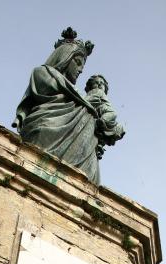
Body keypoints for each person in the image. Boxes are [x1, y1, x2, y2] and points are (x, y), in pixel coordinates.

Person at [12, 27, 102, 184]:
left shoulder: (78, 97)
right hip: (45, 125)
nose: (80, 70)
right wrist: (86, 102)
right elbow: (52, 87)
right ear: (65, 57)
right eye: (78, 62)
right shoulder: (41, 72)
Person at [84, 75, 125, 159]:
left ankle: (100, 143)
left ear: (105, 87)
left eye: (101, 83)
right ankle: (100, 127)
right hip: (102, 110)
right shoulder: (96, 91)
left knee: (119, 127)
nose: (99, 84)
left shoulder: (101, 93)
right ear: (90, 86)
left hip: (104, 111)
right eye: (96, 82)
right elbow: (88, 100)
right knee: (113, 115)